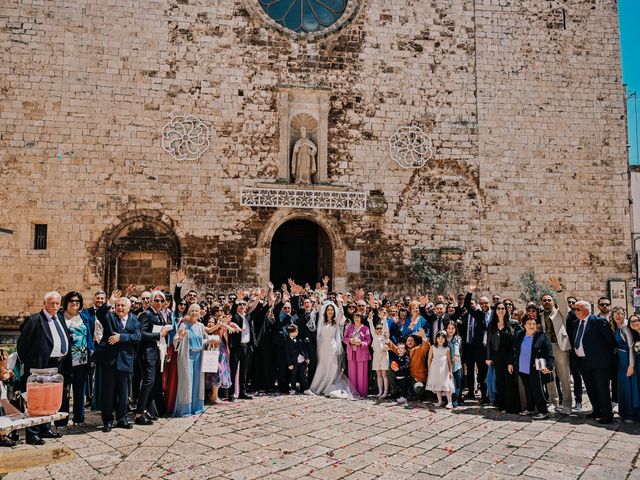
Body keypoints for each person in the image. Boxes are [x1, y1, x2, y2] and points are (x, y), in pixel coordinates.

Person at [16, 291, 68, 445]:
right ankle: (32, 433)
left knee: (49, 397)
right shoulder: (34, 320)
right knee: (36, 399)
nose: (55, 306)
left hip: (55, 364)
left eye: (58, 303)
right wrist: (31, 363)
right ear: (45, 303)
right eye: (52, 303)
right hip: (38, 365)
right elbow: (22, 345)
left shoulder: (60, 318)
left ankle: (45, 428)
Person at [95, 294, 141, 432]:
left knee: (124, 392)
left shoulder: (134, 321)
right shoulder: (110, 317)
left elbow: (137, 337)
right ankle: (107, 420)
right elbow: (100, 313)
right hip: (110, 361)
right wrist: (109, 301)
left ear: (129, 308)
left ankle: (122, 418)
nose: (120, 308)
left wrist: (121, 337)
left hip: (126, 361)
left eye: (123, 306)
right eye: (118, 305)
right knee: (108, 393)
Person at [566, 300, 616, 424]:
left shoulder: (598, 321)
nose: (574, 311)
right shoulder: (575, 323)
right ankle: (596, 411)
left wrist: (605, 359)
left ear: (586, 310)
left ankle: (607, 415)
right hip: (583, 362)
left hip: (599, 363)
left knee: (602, 389)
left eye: (577, 309)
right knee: (590, 388)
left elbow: (610, 341)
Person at [173, 303, 217, 417]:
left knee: (198, 382)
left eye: (196, 311)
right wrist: (180, 338)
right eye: (192, 310)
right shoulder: (184, 325)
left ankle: (197, 407)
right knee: (187, 382)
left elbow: (205, 339)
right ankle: (185, 409)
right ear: (189, 312)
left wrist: (211, 341)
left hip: (199, 357)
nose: (194, 313)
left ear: (199, 314)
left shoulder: (201, 326)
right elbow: (176, 339)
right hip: (187, 356)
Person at [58, 291, 94, 427]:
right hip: (65, 361)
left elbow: (90, 333)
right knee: (64, 391)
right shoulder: (60, 317)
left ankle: (79, 419)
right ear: (66, 302)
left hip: (82, 360)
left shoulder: (84, 317)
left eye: (77, 301)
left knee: (79, 391)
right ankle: (61, 420)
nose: (74, 303)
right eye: (72, 301)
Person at [135, 290, 171, 425]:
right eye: (156, 300)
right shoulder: (146, 314)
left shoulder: (160, 315)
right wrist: (159, 334)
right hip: (147, 353)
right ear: (150, 301)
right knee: (148, 382)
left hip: (157, 352)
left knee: (154, 383)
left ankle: (148, 411)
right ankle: (139, 414)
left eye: (162, 301)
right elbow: (141, 334)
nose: (159, 303)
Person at [509, 316, 554, 419]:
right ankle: (530, 409)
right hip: (522, 368)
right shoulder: (519, 335)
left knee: (538, 389)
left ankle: (543, 411)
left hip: (535, 368)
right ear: (524, 325)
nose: (532, 326)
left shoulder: (541, 336)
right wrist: (510, 363)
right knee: (528, 389)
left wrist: (549, 366)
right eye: (529, 324)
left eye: (534, 324)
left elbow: (549, 352)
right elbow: (513, 350)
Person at [310, 299, 355, 398]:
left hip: (333, 347)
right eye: (328, 310)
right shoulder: (322, 321)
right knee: (322, 366)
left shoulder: (336, 322)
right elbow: (312, 320)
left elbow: (341, 313)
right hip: (322, 347)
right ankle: (319, 387)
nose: (330, 311)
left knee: (333, 366)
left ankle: (329, 386)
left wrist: (340, 304)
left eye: (332, 310)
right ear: (325, 311)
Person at [539, 276, 572, 414]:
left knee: (564, 376)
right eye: (544, 300)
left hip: (559, 347)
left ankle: (567, 404)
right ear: (541, 303)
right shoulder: (539, 315)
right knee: (549, 376)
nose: (547, 302)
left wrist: (558, 288)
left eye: (549, 300)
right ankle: (553, 402)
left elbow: (563, 303)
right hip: (546, 349)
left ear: (553, 302)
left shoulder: (560, 313)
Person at [486, 302, 520, 413]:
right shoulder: (492, 324)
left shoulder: (513, 323)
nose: (501, 310)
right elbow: (489, 342)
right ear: (495, 311)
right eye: (498, 308)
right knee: (500, 380)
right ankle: (502, 405)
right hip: (497, 356)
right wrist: (488, 357)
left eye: (503, 308)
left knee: (509, 380)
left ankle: (511, 406)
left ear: (506, 310)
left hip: (509, 356)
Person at [611, 307, 640, 421]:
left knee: (629, 385)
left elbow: (631, 347)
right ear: (612, 316)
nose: (618, 316)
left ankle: (631, 413)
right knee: (622, 385)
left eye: (621, 313)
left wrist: (631, 366)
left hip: (627, 360)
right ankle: (624, 412)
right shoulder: (615, 327)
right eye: (616, 313)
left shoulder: (625, 328)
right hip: (620, 361)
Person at [462, 292, 491, 403]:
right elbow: (467, 306)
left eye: (486, 303)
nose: (484, 305)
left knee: (488, 372)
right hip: (478, 348)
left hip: (489, 348)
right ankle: (484, 396)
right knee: (480, 372)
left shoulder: (494, 313)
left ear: (489, 303)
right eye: (482, 303)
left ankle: (491, 395)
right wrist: (470, 291)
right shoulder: (478, 314)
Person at [228, 298, 255, 401]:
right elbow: (232, 311)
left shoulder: (248, 317)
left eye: (244, 304)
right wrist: (236, 300)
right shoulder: (235, 316)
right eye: (240, 304)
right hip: (236, 347)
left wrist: (259, 299)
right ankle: (231, 393)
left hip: (246, 346)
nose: (242, 306)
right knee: (233, 370)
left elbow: (257, 310)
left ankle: (242, 392)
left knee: (244, 371)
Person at [343, 312, 371, 398]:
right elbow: (344, 338)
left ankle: (362, 393)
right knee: (352, 373)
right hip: (351, 353)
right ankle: (353, 392)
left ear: (361, 318)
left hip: (362, 353)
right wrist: (350, 341)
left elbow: (368, 340)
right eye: (355, 317)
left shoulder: (365, 328)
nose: (356, 319)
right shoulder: (349, 327)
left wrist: (361, 343)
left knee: (362, 374)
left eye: (358, 317)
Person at [426, 331, 455, 409]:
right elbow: (429, 359)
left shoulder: (447, 349)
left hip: (444, 369)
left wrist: (450, 371)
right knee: (437, 385)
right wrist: (429, 369)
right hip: (435, 368)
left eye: (442, 338)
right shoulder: (432, 347)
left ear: (445, 339)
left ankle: (450, 402)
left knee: (446, 385)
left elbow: (449, 361)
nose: (440, 340)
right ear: (436, 339)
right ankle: (439, 401)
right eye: (438, 338)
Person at [367, 311, 390, 398]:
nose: (379, 330)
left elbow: (385, 328)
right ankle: (380, 391)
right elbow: (371, 326)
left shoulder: (384, 335)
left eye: (380, 328)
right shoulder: (374, 336)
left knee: (384, 374)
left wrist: (383, 319)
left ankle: (385, 391)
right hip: (376, 355)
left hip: (384, 355)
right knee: (378, 374)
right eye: (377, 328)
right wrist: (370, 319)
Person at [285, 324, 310, 394]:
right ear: (291, 332)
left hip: (301, 360)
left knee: (303, 375)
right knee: (293, 376)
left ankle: (306, 389)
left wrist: (307, 357)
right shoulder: (287, 342)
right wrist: (289, 364)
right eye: (296, 331)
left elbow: (304, 349)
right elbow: (287, 354)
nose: (297, 332)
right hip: (293, 362)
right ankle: (293, 389)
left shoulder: (300, 338)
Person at [445, 321, 463, 407]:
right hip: (446, 364)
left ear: (455, 329)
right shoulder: (443, 338)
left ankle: (455, 400)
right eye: (449, 328)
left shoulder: (457, 338)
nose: (450, 330)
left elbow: (456, 347)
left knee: (457, 383)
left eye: (452, 328)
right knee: (448, 383)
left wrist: (456, 355)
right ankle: (449, 399)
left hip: (456, 364)